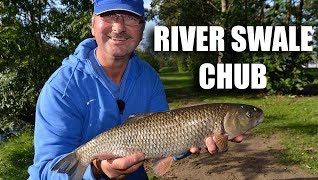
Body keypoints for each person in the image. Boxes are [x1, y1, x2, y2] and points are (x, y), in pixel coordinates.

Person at [28, 0, 243, 179]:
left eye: (130, 18)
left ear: (141, 29)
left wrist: (192, 140)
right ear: (93, 25)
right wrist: (98, 169)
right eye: (109, 15)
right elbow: (45, 172)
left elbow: (166, 138)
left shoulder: (149, 77)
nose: (119, 27)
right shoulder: (61, 88)